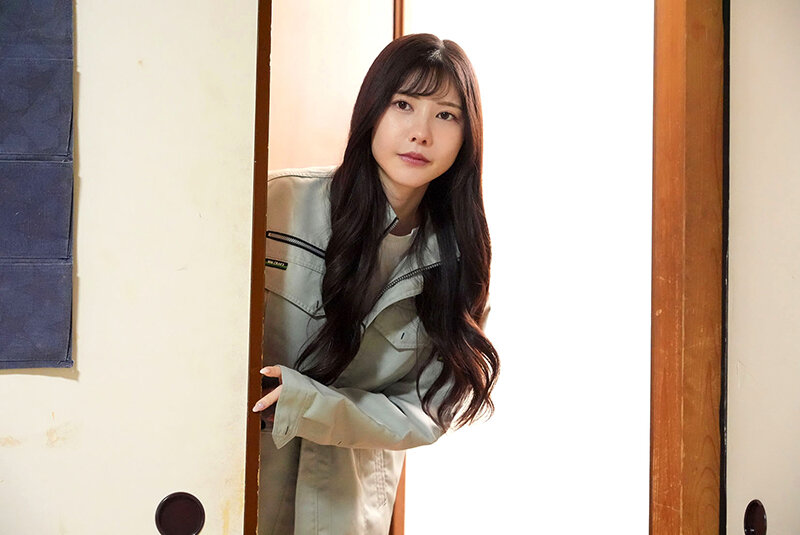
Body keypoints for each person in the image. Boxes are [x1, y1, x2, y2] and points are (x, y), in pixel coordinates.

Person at [253, 33, 499, 535]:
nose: (420, 133)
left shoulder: (461, 260)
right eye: (403, 104)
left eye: (445, 115)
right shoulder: (275, 203)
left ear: (467, 136)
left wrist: (309, 404)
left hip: (347, 504)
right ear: (372, 109)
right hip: (243, 474)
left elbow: (426, 411)